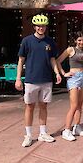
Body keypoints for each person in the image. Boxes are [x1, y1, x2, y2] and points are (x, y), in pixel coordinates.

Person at [15, 14, 62, 147]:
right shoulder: (27, 41)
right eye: (38, 25)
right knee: (29, 107)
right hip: (31, 79)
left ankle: (43, 133)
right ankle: (28, 135)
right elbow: (21, 60)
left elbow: (53, 59)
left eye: (43, 25)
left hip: (46, 79)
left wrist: (57, 73)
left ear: (46, 27)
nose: (41, 28)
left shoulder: (50, 42)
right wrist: (18, 78)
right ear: (34, 27)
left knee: (43, 106)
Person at [56, 31, 83, 141]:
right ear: (75, 40)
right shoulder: (71, 49)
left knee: (80, 105)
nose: (81, 42)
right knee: (74, 105)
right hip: (73, 78)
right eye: (79, 40)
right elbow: (58, 61)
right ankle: (66, 130)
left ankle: (77, 126)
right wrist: (64, 73)